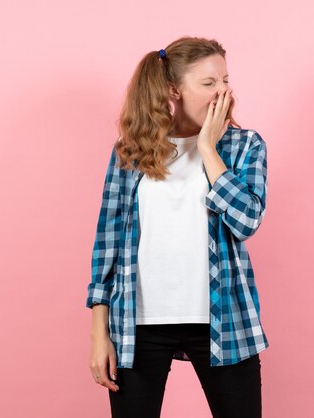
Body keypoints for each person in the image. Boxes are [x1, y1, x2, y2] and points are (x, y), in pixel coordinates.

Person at [85, 36, 270, 418]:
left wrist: (207, 149)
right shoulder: (132, 151)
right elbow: (108, 243)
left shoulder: (244, 146)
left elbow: (246, 221)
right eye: (208, 83)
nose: (223, 90)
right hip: (137, 325)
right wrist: (98, 334)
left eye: (225, 79)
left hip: (223, 322)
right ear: (174, 90)